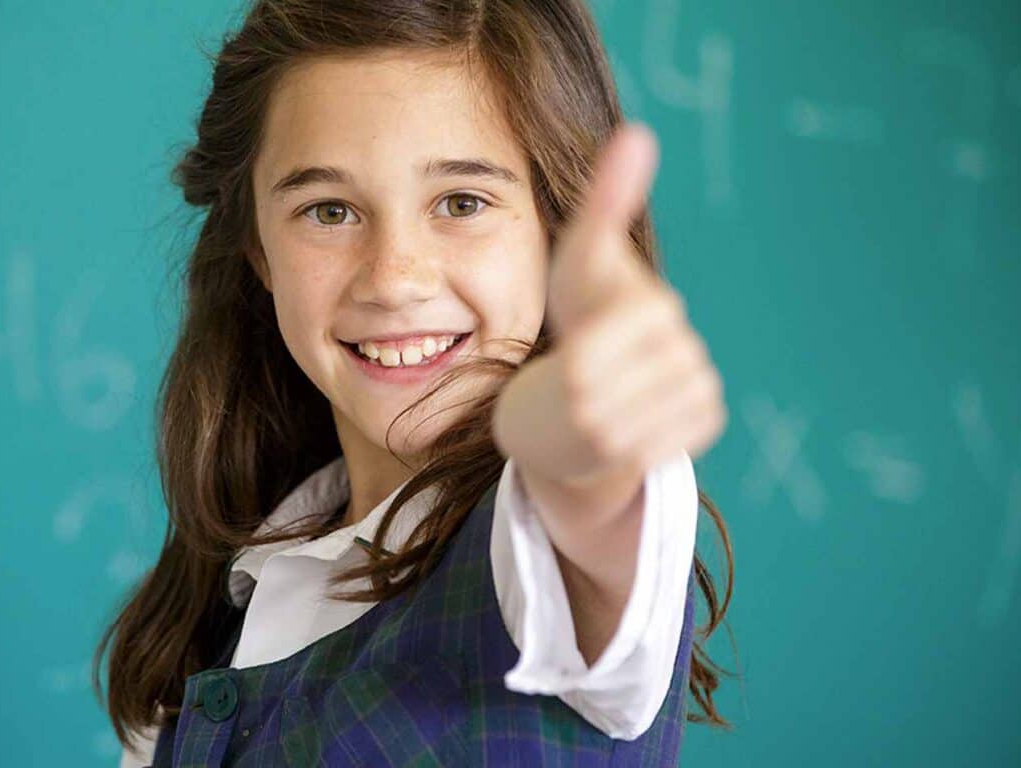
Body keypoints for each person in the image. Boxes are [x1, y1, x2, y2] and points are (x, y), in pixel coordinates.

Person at [94, 0, 736, 764]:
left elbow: (599, 499)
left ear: (554, 229)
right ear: (258, 253)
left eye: (462, 203)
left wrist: (574, 448)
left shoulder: (545, 543)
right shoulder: (217, 615)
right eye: (328, 210)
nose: (395, 278)